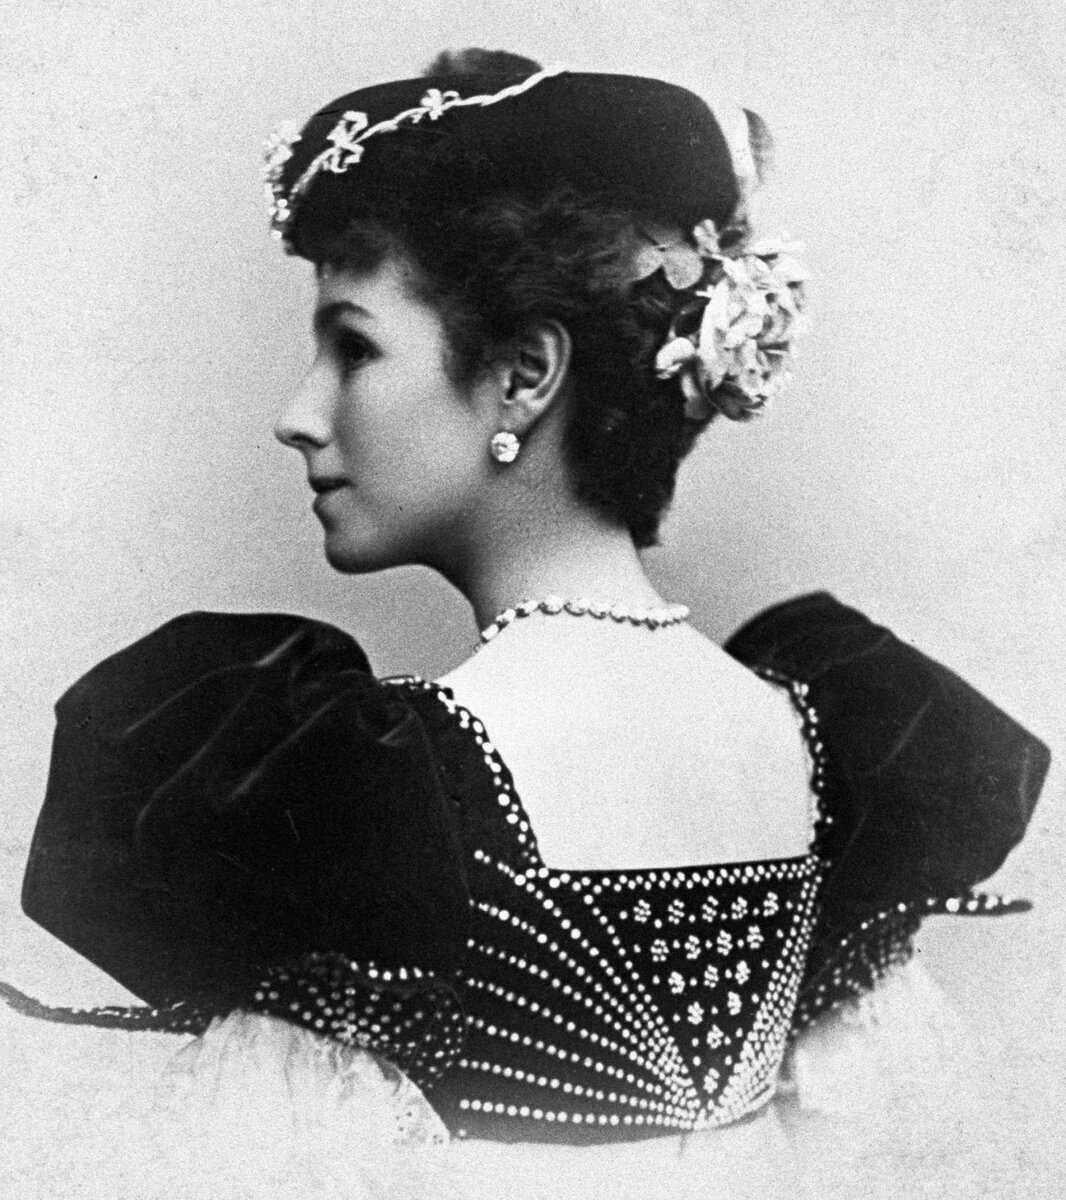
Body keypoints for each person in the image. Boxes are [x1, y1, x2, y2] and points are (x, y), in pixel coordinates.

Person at [2, 48, 1049, 1200]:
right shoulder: (817, 743)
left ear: (523, 375)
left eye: (354, 347)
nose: (298, 415)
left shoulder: (369, 799)